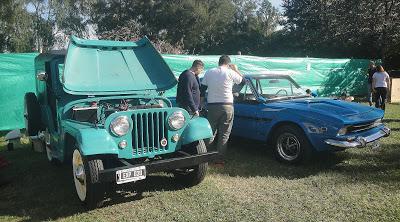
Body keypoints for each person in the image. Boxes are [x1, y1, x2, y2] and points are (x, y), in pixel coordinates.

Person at [201, 55, 244, 164]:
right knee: (224, 133)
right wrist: (236, 69)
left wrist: (201, 103)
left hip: (212, 105)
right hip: (227, 105)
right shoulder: (230, 72)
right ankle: (219, 159)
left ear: (219, 62)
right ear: (228, 63)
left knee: (210, 132)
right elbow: (243, 81)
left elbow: (202, 88)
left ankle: (206, 158)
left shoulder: (209, 72)